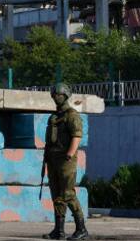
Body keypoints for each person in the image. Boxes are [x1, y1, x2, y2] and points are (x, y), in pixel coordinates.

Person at [42, 82, 89, 240]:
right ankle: (59, 231)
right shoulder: (54, 117)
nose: (56, 98)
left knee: (68, 194)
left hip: (66, 161)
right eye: (54, 95)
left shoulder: (72, 115)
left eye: (59, 95)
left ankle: (81, 229)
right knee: (56, 195)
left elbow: (77, 135)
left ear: (66, 96)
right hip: (53, 160)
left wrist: (70, 153)